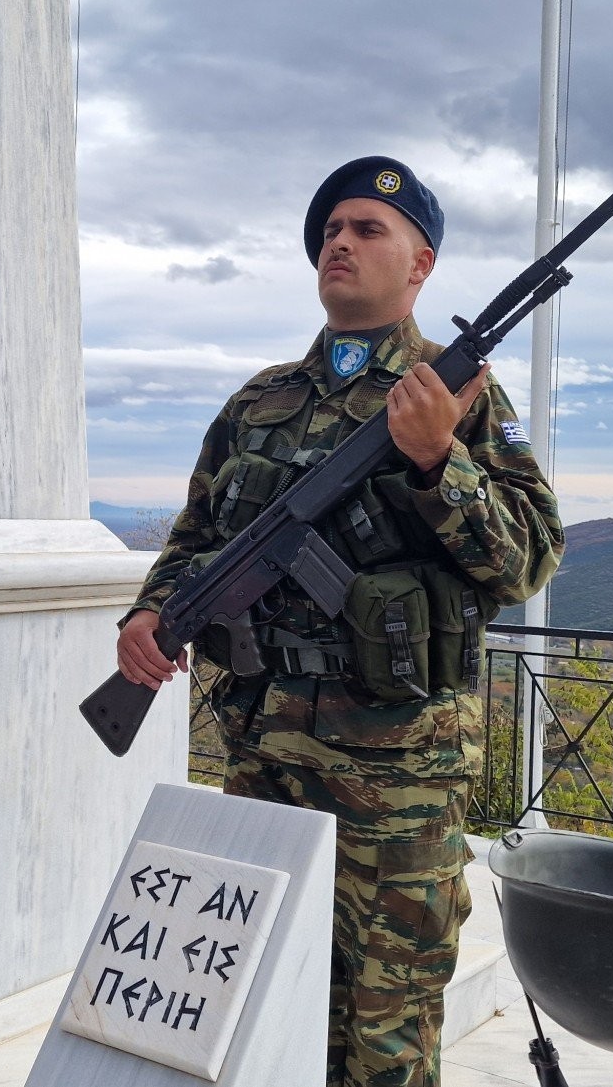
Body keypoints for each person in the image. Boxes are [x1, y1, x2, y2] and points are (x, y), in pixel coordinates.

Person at [116, 157, 564, 1087]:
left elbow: (527, 560)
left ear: (421, 265)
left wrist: (442, 459)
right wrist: (151, 611)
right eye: (331, 229)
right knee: (264, 993)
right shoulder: (256, 404)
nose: (341, 242)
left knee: (387, 1021)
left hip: (397, 775)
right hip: (262, 757)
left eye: (368, 229)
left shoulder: (462, 402)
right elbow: (195, 534)